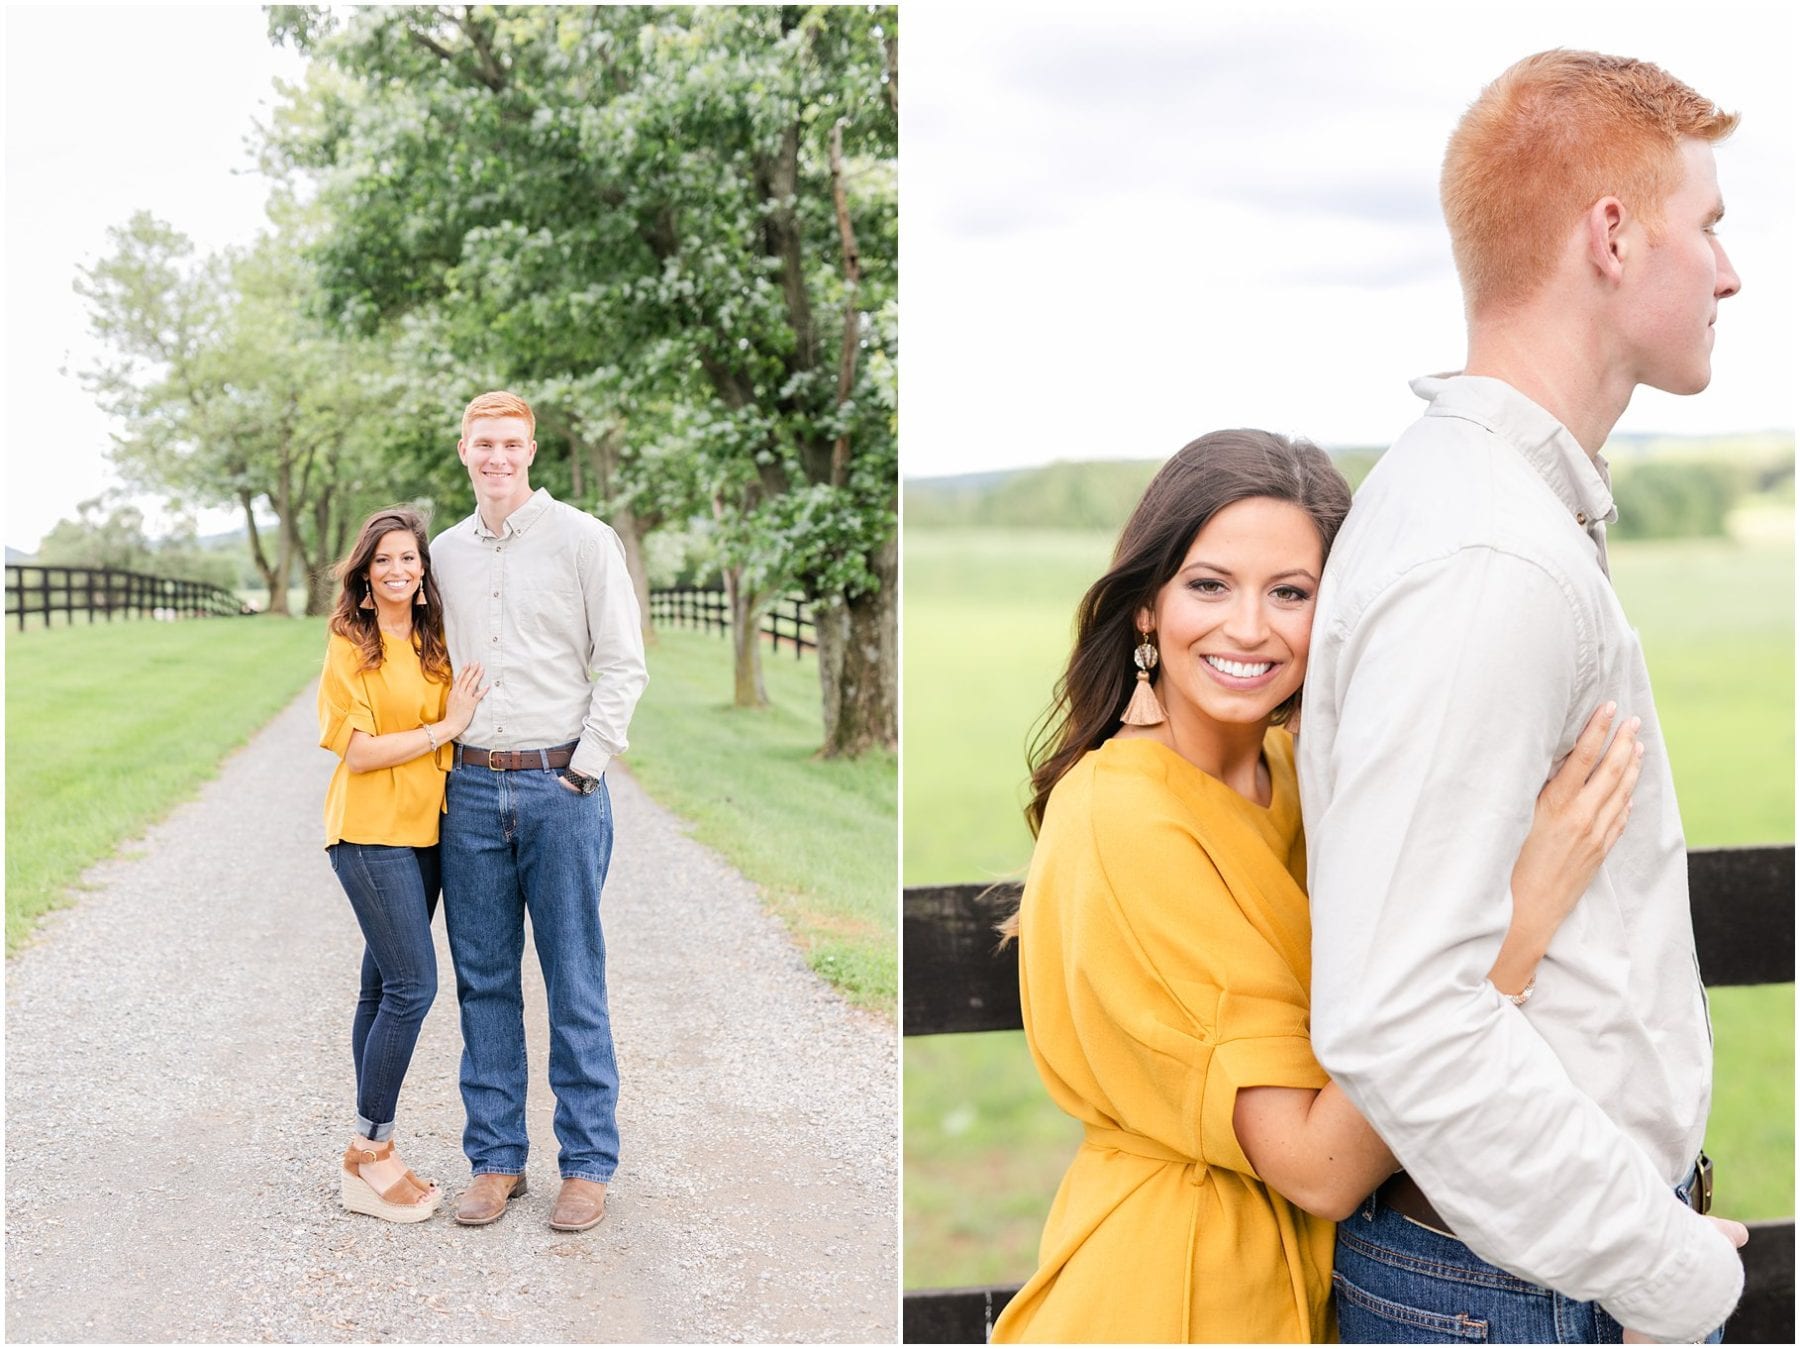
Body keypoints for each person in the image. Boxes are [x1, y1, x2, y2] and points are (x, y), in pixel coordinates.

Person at [990, 430, 1642, 1343]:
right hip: (1176, 1290)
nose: (1250, 627)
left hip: (1309, 1282)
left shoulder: (1298, 774)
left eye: (1290, 592)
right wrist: (1519, 918)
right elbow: (1318, 1163)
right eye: (1209, 584)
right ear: (1146, 607)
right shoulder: (1122, 816)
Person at [1297, 50, 1750, 1344]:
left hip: (1526, 1274)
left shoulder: (1494, 512)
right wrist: (1672, 1267)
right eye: (1708, 225)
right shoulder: (1490, 553)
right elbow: (1403, 1014)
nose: (1730, 271)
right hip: (1511, 1299)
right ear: (1612, 236)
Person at [430, 390, 648, 1231]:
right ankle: (495, 1160)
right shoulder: (445, 553)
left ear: (531, 449)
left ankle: (587, 1164)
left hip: (562, 785)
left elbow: (622, 664)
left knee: (573, 975)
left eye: (510, 443)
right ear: (463, 450)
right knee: (484, 979)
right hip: (474, 788)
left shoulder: (584, 540)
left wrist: (586, 771)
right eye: (483, 443)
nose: (497, 457)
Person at [320, 507, 488, 1223]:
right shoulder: (349, 645)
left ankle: (370, 1146)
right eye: (384, 560)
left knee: (380, 985)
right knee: (414, 986)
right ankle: (370, 1150)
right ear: (365, 574)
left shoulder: (432, 640)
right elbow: (357, 750)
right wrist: (444, 729)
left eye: (409, 559)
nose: (398, 570)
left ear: (424, 571)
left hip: (426, 835)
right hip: (368, 831)